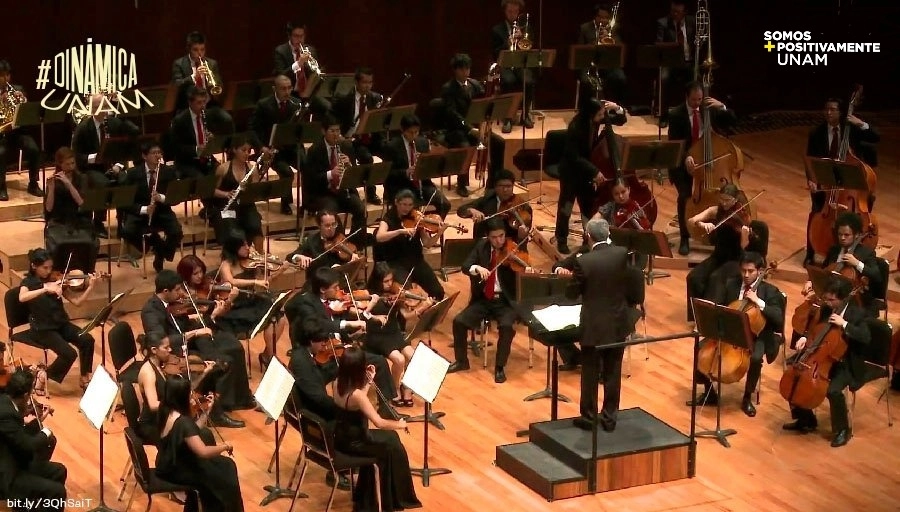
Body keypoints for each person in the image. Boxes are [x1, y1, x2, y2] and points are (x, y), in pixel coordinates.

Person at [141, 269, 253, 426]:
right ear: (166, 291)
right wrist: (195, 332)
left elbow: (186, 324)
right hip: (172, 352)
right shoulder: (151, 311)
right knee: (218, 364)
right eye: (178, 289)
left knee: (234, 347)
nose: (181, 293)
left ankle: (241, 398)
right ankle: (215, 413)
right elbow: (162, 341)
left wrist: (210, 315)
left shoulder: (173, 304)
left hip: (188, 342)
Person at [284, 267, 399, 416]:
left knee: (379, 362)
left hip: (341, 350)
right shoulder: (307, 304)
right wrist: (346, 325)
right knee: (314, 389)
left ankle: (386, 409)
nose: (338, 290)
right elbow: (315, 327)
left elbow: (346, 324)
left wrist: (353, 333)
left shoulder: (335, 302)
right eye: (335, 288)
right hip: (323, 357)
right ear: (322, 289)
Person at [566, 218, 644, 431]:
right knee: (612, 372)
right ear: (607, 233)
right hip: (618, 323)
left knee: (590, 373)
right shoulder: (621, 253)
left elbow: (572, 294)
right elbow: (631, 280)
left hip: (594, 326)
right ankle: (609, 419)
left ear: (588, 236)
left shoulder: (584, 262)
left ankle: (589, 418)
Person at [687, 252, 785, 416]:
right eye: (743, 270)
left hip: (756, 335)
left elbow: (778, 318)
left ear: (760, 271)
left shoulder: (770, 291)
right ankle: (710, 393)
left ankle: (747, 398)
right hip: (730, 332)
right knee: (701, 348)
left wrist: (759, 302)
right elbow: (720, 306)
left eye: (750, 271)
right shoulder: (731, 284)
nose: (746, 275)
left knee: (755, 358)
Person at [783, 278, 870, 448]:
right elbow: (813, 330)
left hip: (845, 361)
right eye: (826, 299)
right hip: (819, 357)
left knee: (833, 391)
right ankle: (806, 419)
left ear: (844, 298)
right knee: (795, 375)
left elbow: (865, 337)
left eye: (832, 300)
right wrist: (804, 338)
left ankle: (842, 430)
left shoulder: (857, 313)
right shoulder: (825, 309)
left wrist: (844, 324)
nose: (828, 303)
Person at [333, 347, 422, 512]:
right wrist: (401, 424)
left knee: (391, 438)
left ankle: (373, 495)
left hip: (342, 437)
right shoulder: (357, 395)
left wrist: (367, 382)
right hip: (357, 442)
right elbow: (379, 422)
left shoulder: (337, 382)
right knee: (393, 446)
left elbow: (356, 402)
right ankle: (392, 499)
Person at [448, 218, 529, 383]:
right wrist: (476, 268)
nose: (499, 240)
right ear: (488, 237)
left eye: (501, 236)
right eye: (494, 237)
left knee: (506, 326)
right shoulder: (481, 246)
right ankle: (462, 361)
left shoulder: (512, 248)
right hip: (484, 299)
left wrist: (526, 269)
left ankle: (500, 367)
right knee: (459, 321)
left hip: (506, 301)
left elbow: (523, 271)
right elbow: (465, 266)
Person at [804, 97, 880, 263]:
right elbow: (810, 160)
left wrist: (861, 123)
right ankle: (812, 253)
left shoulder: (852, 129)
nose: (829, 113)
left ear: (841, 112)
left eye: (833, 109)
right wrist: (811, 180)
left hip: (851, 184)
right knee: (816, 212)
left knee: (863, 209)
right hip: (826, 184)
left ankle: (857, 254)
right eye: (827, 109)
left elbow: (876, 137)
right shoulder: (816, 133)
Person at [667, 81, 736, 255]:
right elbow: (674, 143)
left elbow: (732, 122)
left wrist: (723, 106)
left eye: (700, 99)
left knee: (723, 194)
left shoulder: (710, 109)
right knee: (685, 197)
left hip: (708, 162)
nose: (697, 103)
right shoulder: (676, 114)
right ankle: (684, 237)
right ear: (686, 97)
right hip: (684, 166)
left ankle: (719, 234)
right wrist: (686, 157)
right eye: (694, 100)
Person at [156, 376, 243, 511]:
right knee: (226, 469)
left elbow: (192, 432)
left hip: (167, 462)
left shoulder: (165, 409)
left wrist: (206, 412)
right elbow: (203, 452)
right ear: (180, 397)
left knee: (223, 466)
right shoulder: (183, 422)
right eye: (189, 394)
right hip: (178, 469)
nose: (192, 397)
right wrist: (225, 446)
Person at [685, 184, 767, 321]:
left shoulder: (743, 216)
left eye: (727, 200)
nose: (724, 203)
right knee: (694, 277)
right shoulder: (715, 210)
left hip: (736, 258)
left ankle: (708, 319)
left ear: (735, 200)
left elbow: (744, 246)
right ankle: (696, 316)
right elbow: (691, 221)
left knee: (715, 278)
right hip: (718, 256)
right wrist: (702, 224)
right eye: (722, 199)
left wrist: (745, 234)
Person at [556, 96, 625, 254]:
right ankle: (561, 239)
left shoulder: (596, 119)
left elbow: (621, 120)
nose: (603, 117)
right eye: (600, 115)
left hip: (586, 171)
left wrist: (617, 107)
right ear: (590, 114)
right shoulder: (575, 127)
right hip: (571, 171)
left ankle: (588, 239)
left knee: (587, 206)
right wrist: (594, 171)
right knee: (566, 207)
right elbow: (573, 156)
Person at [18, 248, 96, 390]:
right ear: (34, 266)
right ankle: (43, 376)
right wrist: (45, 289)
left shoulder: (56, 281)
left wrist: (90, 287)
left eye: (50, 267)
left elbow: (77, 302)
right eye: (45, 268)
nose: (49, 271)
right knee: (69, 354)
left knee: (87, 339)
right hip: (42, 329)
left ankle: (84, 377)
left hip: (61, 324)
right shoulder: (27, 282)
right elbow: (22, 297)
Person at [71, 93, 140, 237]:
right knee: (103, 185)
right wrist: (94, 158)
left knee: (125, 182)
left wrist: (119, 165)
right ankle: (97, 222)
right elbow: (76, 157)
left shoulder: (114, 124)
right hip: (92, 169)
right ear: (91, 109)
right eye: (97, 107)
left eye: (104, 107)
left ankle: (122, 221)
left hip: (113, 166)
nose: (101, 110)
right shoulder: (83, 128)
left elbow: (124, 149)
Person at [215, 236, 289, 368]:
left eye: (247, 244)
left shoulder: (252, 262)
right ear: (234, 247)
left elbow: (265, 282)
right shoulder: (226, 264)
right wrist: (254, 281)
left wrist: (281, 270)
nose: (248, 248)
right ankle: (271, 360)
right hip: (234, 307)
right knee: (271, 319)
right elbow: (230, 281)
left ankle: (268, 355)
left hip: (251, 301)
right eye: (243, 246)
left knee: (279, 318)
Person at [0, 369, 67, 512]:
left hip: (15, 462)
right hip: (8, 476)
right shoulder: (7, 414)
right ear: (25, 395)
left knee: (59, 471)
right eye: (29, 395)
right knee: (58, 492)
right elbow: (27, 445)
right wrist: (45, 432)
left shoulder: (6, 402)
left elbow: (17, 435)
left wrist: (38, 421)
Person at [300, 114, 369, 246]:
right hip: (322, 193)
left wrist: (350, 166)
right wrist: (331, 174)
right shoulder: (315, 150)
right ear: (323, 131)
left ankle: (356, 245)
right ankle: (339, 247)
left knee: (360, 209)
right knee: (333, 215)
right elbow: (310, 180)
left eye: (338, 131)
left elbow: (354, 175)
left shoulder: (346, 146)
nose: (336, 134)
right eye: (332, 131)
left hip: (343, 190)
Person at [362, 262, 422, 406]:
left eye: (391, 280)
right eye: (386, 281)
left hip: (393, 332)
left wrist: (423, 306)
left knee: (412, 356)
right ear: (377, 281)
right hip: (376, 336)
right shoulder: (368, 295)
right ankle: (394, 390)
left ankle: (406, 386)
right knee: (399, 359)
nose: (390, 284)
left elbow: (406, 316)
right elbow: (363, 317)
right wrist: (374, 316)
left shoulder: (395, 294)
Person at [802, 212, 882, 318]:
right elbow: (824, 270)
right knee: (807, 315)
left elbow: (877, 276)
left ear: (857, 234)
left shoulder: (866, 253)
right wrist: (811, 281)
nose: (842, 238)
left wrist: (857, 263)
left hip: (853, 303)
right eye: (840, 234)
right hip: (830, 298)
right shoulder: (834, 250)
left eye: (847, 235)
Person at [119, 141, 183, 273]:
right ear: (144, 156)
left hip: (162, 211)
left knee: (176, 232)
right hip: (140, 213)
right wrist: (143, 209)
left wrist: (162, 198)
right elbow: (124, 201)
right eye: (154, 153)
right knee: (127, 232)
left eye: (159, 153)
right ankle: (155, 243)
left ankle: (161, 254)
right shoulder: (132, 174)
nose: (158, 156)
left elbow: (176, 198)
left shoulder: (168, 172)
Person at [374, 189, 447, 302]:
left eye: (410, 205)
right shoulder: (388, 219)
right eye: (404, 204)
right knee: (407, 296)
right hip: (396, 264)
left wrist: (439, 233)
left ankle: (427, 314)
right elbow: (379, 236)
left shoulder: (417, 218)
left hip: (416, 261)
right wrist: (400, 231)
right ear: (396, 202)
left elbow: (427, 244)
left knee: (438, 292)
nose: (407, 208)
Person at [247, 74, 300, 215]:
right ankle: (286, 203)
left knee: (308, 165)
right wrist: (261, 147)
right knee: (286, 172)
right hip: (271, 151)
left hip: (290, 148)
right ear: (274, 89)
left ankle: (308, 205)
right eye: (283, 89)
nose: (287, 92)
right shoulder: (263, 105)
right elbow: (251, 130)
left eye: (289, 88)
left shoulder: (296, 104)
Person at [331, 66, 384, 204]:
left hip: (369, 138)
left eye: (370, 82)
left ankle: (391, 192)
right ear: (356, 82)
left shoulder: (375, 98)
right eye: (364, 82)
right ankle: (356, 192)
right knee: (366, 158)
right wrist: (339, 135)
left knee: (392, 149)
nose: (367, 86)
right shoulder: (343, 98)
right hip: (349, 138)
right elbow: (332, 120)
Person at [383, 114, 451, 218]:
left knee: (444, 204)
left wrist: (425, 163)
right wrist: (405, 172)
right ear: (402, 130)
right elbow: (386, 174)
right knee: (410, 212)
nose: (414, 135)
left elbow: (429, 169)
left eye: (416, 132)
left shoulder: (422, 142)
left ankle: (431, 229)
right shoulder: (391, 146)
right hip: (401, 186)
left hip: (422, 184)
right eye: (411, 132)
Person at [43, 147, 98, 273]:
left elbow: (82, 202)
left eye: (73, 163)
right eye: (67, 164)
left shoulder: (82, 178)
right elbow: (49, 208)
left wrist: (68, 184)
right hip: (59, 221)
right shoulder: (54, 180)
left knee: (90, 242)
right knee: (59, 243)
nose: (71, 166)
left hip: (80, 219)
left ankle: (87, 271)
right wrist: (51, 188)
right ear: (60, 164)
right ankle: (58, 272)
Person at [439, 53, 486, 197]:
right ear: (456, 70)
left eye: (468, 69)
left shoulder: (474, 85)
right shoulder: (448, 89)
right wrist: (470, 128)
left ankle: (494, 180)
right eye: (462, 69)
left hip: (474, 128)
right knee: (465, 147)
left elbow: (485, 102)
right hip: (455, 130)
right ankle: (462, 183)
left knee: (499, 142)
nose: (466, 72)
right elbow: (453, 115)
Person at [171, 31, 233, 133]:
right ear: (189, 49)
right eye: (195, 50)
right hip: (188, 106)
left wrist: (212, 84)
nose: (200, 53)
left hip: (208, 105)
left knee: (227, 119)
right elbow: (176, 85)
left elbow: (219, 85)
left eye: (202, 50)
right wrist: (193, 77)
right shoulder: (179, 64)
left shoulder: (212, 63)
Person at [210, 135, 265, 251]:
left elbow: (255, 192)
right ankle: (234, 259)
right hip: (228, 207)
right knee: (233, 232)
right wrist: (226, 194)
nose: (247, 154)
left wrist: (251, 189)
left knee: (255, 226)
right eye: (243, 150)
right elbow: (212, 191)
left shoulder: (252, 169)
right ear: (234, 150)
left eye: (249, 151)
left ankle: (260, 259)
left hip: (247, 205)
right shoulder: (223, 169)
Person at [0, 60, 42, 200]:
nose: (6, 79)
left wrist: (23, 100)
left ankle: (33, 183)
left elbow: (26, 113)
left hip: (18, 133)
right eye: (2, 76)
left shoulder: (17, 89)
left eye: (7, 75)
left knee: (34, 149)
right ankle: (1, 187)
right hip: (1, 136)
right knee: (0, 153)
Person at [491, 0, 534, 133]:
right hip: (505, 65)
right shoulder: (497, 30)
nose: (512, 15)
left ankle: (525, 115)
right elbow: (494, 53)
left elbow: (530, 48)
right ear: (505, 11)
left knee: (528, 80)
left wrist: (521, 40)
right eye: (510, 12)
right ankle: (508, 118)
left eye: (515, 12)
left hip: (520, 64)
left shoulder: (525, 28)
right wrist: (507, 43)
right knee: (509, 81)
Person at [285, 210, 359, 283]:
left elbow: (349, 272)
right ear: (319, 226)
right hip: (316, 285)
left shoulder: (341, 239)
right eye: (327, 225)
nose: (331, 229)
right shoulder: (311, 240)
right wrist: (299, 257)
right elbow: (289, 256)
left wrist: (352, 264)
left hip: (339, 283)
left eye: (334, 224)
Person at [591, 178, 651, 269]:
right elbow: (597, 216)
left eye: (623, 192)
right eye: (616, 194)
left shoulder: (636, 208)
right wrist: (593, 225)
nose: (621, 196)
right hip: (614, 251)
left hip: (635, 253)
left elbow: (645, 231)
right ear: (612, 195)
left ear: (629, 190)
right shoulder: (611, 205)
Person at [458, 168, 531, 242]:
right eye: (501, 186)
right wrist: (471, 210)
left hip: (510, 246)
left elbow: (524, 240)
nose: (505, 190)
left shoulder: (523, 207)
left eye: (508, 186)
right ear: (495, 187)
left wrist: (521, 237)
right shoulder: (488, 199)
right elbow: (461, 210)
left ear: (513, 186)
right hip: (486, 244)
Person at [576, 3, 627, 105]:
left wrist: (610, 39)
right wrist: (595, 42)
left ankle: (615, 108)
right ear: (595, 17)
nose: (603, 21)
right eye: (600, 17)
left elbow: (620, 47)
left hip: (608, 65)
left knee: (620, 77)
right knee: (586, 82)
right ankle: (588, 109)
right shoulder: (585, 28)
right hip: (589, 65)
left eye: (606, 18)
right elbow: (579, 48)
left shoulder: (613, 28)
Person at [168, 86, 219, 182]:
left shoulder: (208, 115)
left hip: (207, 159)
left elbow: (213, 137)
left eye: (204, 102)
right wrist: (196, 150)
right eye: (199, 103)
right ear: (190, 103)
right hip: (187, 162)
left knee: (222, 173)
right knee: (202, 181)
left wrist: (212, 138)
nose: (203, 106)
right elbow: (175, 148)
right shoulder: (180, 120)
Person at [655, 0, 694, 114]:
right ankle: (664, 114)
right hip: (670, 63)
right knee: (664, 78)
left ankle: (693, 113)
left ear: (685, 12)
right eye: (672, 11)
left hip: (688, 62)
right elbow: (658, 44)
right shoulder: (662, 22)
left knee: (697, 79)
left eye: (678, 12)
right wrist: (677, 45)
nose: (674, 14)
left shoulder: (692, 22)